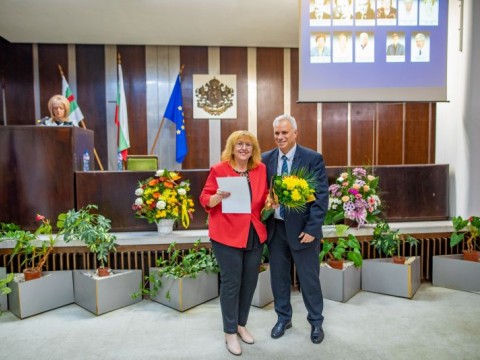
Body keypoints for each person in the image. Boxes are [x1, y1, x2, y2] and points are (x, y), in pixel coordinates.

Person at [199, 130, 268, 356]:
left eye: (248, 145)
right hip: (226, 234)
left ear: (253, 149)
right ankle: (229, 332)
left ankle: (241, 324)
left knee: (249, 282)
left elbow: (264, 198)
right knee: (231, 283)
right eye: (239, 144)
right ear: (232, 147)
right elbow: (205, 199)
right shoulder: (219, 169)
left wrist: (272, 203)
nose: (244, 148)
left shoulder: (260, 169)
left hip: (253, 232)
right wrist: (217, 197)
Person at [261, 114, 329, 345]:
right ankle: (283, 318)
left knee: (309, 279)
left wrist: (312, 228)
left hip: (304, 231)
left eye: (284, 133)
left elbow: (321, 198)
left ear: (295, 133)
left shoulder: (312, 158)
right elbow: (260, 194)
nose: (280, 137)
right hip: (276, 230)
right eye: (277, 133)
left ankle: (316, 322)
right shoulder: (265, 159)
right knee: (279, 278)